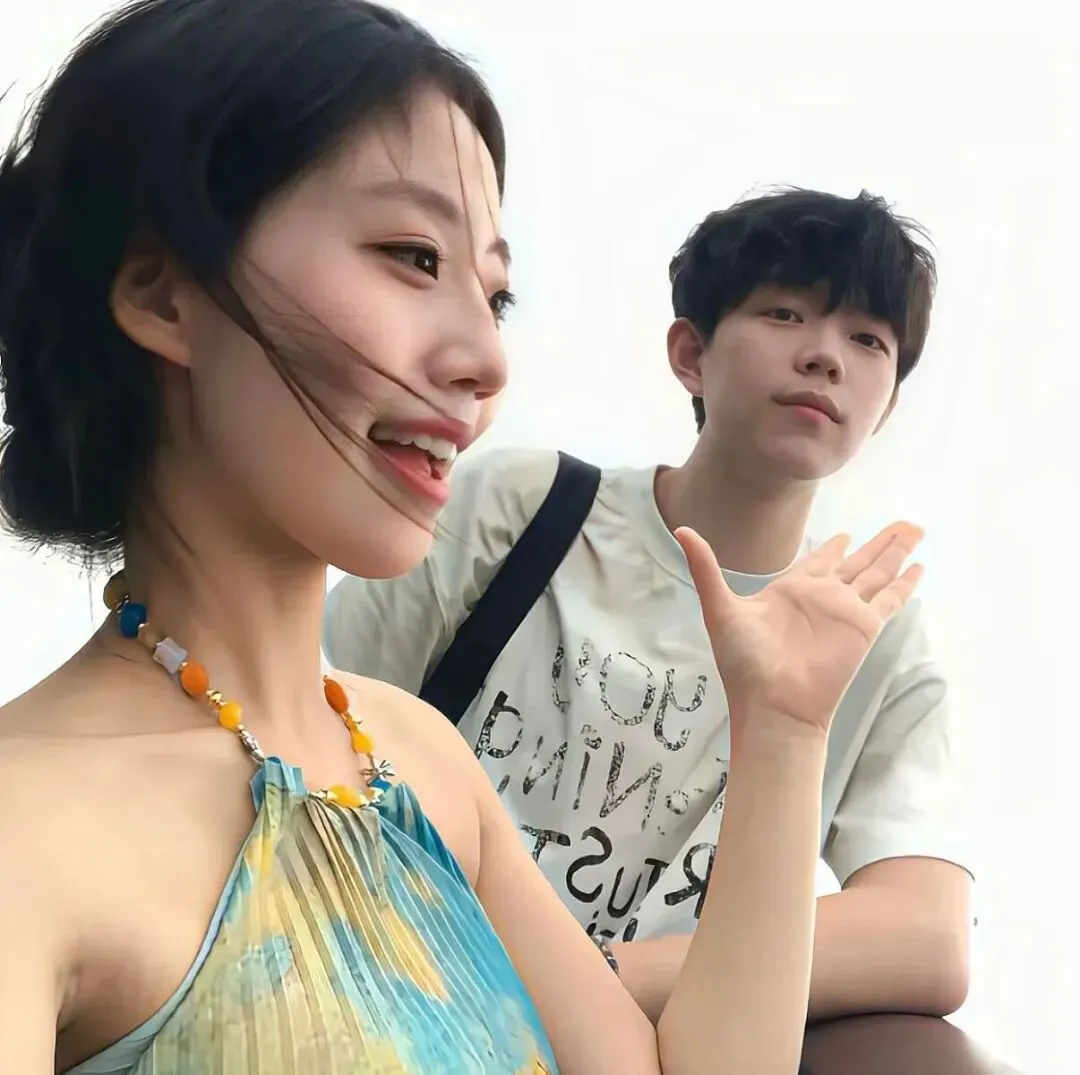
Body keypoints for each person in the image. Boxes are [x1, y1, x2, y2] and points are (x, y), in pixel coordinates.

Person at [0, 1, 926, 1073]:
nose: (487, 360)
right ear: (163, 296)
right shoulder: (31, 827)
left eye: (496, 294)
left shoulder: (419, 755)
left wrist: (784, 730)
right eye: (412, 255)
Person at [324, 188, 973, 1023]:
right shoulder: (526, 507)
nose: (824, 357)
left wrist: (591, 977)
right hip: (384, 990)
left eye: (868, 339)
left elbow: (928, 937)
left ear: (886, 405)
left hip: (631, 1043)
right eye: (784, 314)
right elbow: (311, 711)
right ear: (690, 354)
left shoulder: (871, 632)